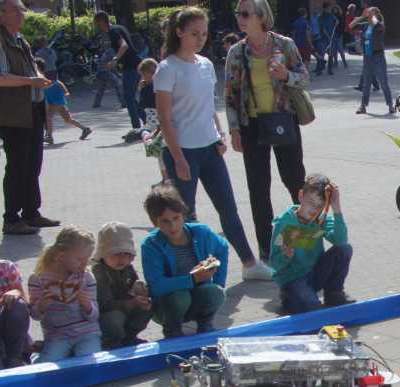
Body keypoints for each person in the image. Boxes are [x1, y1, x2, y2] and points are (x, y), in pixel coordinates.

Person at [156, 7, 271, 281]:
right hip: (182, 152)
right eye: (194, 33)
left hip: (209, 149)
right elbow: (164, 117)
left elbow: (209, 106)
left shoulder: (206, 65)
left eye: (204, 33)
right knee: (186, 215)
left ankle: (250, 263)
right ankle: (193, 273)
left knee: (228, 209)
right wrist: (178, 158)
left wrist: (219, 134)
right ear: (179, 32)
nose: (200, 39)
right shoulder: (167, 68)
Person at [225, 0, 310, 264]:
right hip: (252, 125)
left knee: (295, 181)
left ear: (261, 16)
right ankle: (267, 249)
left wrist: (286, 75)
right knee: (258, 189)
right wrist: (234, 129)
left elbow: (304, 76)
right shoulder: (237, 52)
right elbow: (230, 93)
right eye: (238, 13)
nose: (240, 18)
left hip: (283, 119)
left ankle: (304, 240)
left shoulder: (284, 44)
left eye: (245, 13)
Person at [0, 0, 59, 237]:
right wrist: (31, 81)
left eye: (21, 9)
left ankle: (31, 213)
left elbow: (31, 70)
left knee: (33, 164)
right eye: (15, 10)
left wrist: (40, 78)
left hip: (33, 109)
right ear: (2, 13)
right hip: (13, 114)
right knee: (17, 166)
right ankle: (11, 218)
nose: (21, 14)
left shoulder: (20, 40)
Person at [141, 184, 229, 338]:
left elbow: (222, 248)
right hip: (167, 305)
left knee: (216, 292)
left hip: (197, 296)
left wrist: (218, 280)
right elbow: (156, 286)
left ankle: (205, 323)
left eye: (176, 218)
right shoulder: (151, 245)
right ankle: (172, 330)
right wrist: (192, 279)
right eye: (165, 221)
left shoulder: (201, 232)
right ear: (155, 222)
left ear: (183, 214)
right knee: (180, 297)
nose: (173, 226)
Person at [270, 174, 354, 313]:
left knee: (344, 249)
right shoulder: (285, 223)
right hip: (293, 279)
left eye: (319, 206)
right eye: (310, 202)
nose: (313, 209)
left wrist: (336, 207)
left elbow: (341, 240)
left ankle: (333, 294)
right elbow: (275, 264)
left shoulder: (320, 219)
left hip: (314, 274)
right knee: (314, 310)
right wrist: (286, 256)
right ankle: (289, 299)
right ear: (301, 196)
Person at [28, 226, 101, 362]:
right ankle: (36, 357)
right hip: (57, 334)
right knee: (48, 367)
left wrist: (88, 306)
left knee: (89, 365)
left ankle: (72, 355)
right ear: (61, 256)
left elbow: (94, 316)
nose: (85, 263)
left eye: (88, 258)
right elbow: (35, 315)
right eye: (80, 259)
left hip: (87, 332)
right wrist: (42, 305)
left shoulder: (86, 277)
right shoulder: (38, 279)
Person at [91, 222, 151, 348]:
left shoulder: (127, 268)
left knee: (147, 308)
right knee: (114, 318)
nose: (122, 259)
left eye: (126, 254)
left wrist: (141, 292)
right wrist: (131, 303)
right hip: (105, 316)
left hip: (125, 308)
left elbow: (133, 287)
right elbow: (103, 305)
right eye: (116, 254)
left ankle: (129, 337)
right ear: (104, 253)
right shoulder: (99, 272)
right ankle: (112, 341)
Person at [0, 219, 31, 370]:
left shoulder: (6, 267)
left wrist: (15, 292)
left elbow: (26, 304)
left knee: (18, 305)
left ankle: (15, 357)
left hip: (4, 325)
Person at [94, 11, 143, 142]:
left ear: (101, 22)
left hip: (131, 67)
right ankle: (146, 125)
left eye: (98, 25)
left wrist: (115, 60)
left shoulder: (113, 31)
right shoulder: (119, 27)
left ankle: (137, 130)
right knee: (131, 98)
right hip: (135, 65)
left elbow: (124, 45)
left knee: (128, 98)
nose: (98, 28)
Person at [353, 7, 394, 115]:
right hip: (367, 57)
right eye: (368, 13)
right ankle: (363, 106)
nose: (369, 15)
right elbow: (352, 26)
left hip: (378, 57)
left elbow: (376, 25)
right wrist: (361, 17)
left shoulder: (380, 25)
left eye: (371, 13)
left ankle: (390, 105)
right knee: (366, 83)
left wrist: (373, 16)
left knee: (384, 82)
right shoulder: (366, 25)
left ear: (376, 15)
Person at [40, 60, 91, 145]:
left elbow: (66, 92)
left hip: (58, 102)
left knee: (48, 117)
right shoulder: (44, 83)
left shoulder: (57, 83)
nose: (51, 80)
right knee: (68, 119)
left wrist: (66, 95)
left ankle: (49, 137)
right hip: (58, 103)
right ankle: (85, 129)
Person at [92, 42, 125, 109]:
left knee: (101, 87)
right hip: (105, 71)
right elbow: (113, 65)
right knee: (118, 83)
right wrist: (117, 74)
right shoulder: (112, 51)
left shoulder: (109, 50)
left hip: (101, 71)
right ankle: (123, 103)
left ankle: (96, 103)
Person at [328, 5, 348, 72]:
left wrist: (340, 34)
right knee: (334, 50)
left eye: (336, 9)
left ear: (338, 10)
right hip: (333, 34)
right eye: (334, 9)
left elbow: (342, 25)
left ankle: (344, 62)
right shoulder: (331, 16)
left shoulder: (340, 16)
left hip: (339, 34)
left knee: (340, 49)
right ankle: (336, 63)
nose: (335, 10)